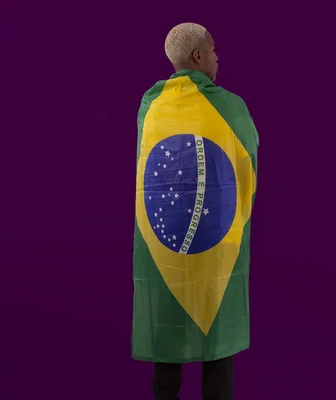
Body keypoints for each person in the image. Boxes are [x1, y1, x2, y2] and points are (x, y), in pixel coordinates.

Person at [132, 22, 259, 400]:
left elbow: (148, 173)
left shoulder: (150, 106)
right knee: (215, 330)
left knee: (166, 323)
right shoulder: (230, 106)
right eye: (214, 50)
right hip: (216, 241)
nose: (218, 58)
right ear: (198, 56)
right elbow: (247, 166)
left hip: (162, 247)